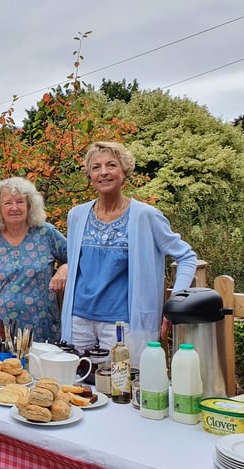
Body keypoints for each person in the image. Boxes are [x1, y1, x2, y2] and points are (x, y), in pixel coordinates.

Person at [61, 141, 197, 363]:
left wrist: (175, 303)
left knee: (122, 389)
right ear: (90, 176)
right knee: (78, 388)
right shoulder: (77, 215)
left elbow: (186, 257)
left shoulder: (146, 216)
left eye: (111, 165)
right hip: (78, 321)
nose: (103, 172)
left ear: (124, 172)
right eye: (96, 167)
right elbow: (76, 261)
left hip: (124, 325)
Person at [0, 177, 68, 343]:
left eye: (20, 202)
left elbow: (75, 256)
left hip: (41, 326)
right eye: (8, 203)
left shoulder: (46, 233)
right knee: (1, 368)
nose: (14, 208)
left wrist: (64, 267)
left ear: (30, 206)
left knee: (39, 368)